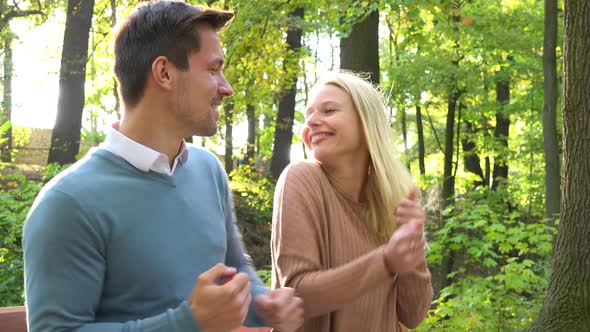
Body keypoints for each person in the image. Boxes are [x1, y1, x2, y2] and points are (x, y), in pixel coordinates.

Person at [23, 1, 303, 331]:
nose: (226, 88)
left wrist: (262, 302)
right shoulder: (68, 203)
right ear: (164, 73)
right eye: (213, 70)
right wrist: (188, 323)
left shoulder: (207, 170)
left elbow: (233, 267)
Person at [271, 71, 433, 332]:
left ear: (367, 123)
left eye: (328, 110)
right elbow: (296, 296)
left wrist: (412, 254)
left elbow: (412, 315)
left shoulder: (390, 204)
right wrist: (386, 261)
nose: (311, 121)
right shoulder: (302, 178)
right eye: (307, 115)